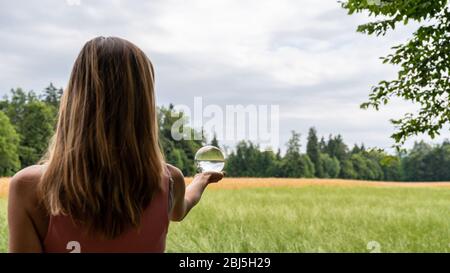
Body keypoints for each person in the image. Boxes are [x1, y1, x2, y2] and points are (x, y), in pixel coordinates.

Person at [7, 36, 223, 253]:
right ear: (144, 109)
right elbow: (181, 209)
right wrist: (201, 180)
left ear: (74, 101)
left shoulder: (29, 187)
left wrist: (200, 179)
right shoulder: (169, 181)